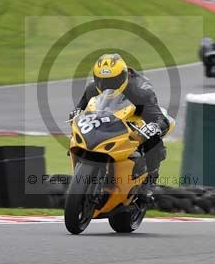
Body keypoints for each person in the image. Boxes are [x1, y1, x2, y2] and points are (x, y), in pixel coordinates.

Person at [69, 53, 169, 201]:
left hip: (136, 114)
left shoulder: (141, 89)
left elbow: (161, 120)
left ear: (122, 76)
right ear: (97, 79)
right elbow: (79, 109)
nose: (107, 85)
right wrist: (74, 115)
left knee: (152, 138)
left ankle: (149, 180)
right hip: (107, 114)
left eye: (113, 81)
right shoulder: (92, 88)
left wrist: (152, 127)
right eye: (103, 81)